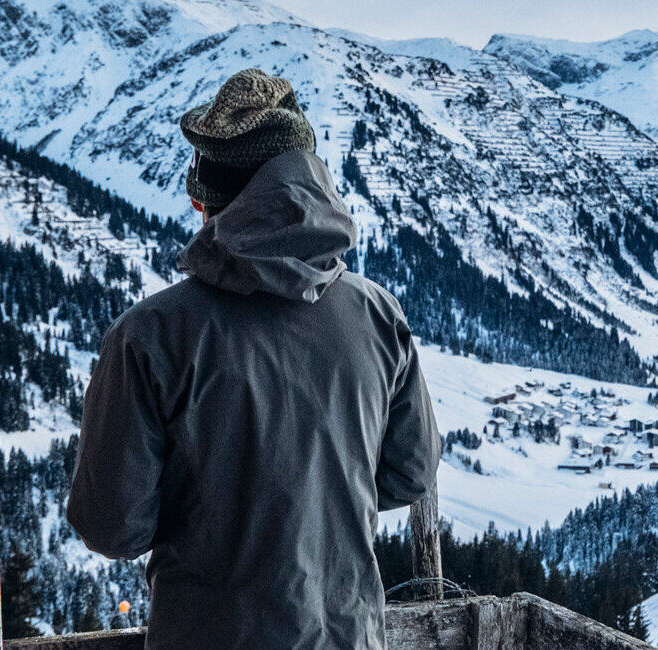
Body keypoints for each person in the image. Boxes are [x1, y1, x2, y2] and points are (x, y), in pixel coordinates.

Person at [67, 68, 440, 650]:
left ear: (209, 204)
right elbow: (410, 473)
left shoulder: (150, 335)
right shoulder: (378, 316)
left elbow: (112, 527)